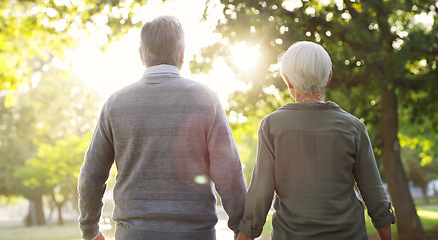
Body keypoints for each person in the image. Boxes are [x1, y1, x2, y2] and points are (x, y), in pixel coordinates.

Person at [78, 15, 247, 240]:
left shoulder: (115, 103)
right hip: (195, 234)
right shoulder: (206, 99)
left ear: (141, 54)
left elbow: (91, 176)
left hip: (134, 233)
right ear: (183, 53)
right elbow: (229, 173)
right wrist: (243, 228)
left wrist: (90, 230)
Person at [237, 41, 396, 240]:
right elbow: (374, 193)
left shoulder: (272, 126)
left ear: (287, 81)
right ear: (328, 77)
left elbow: (260, 195)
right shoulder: (353, 127)